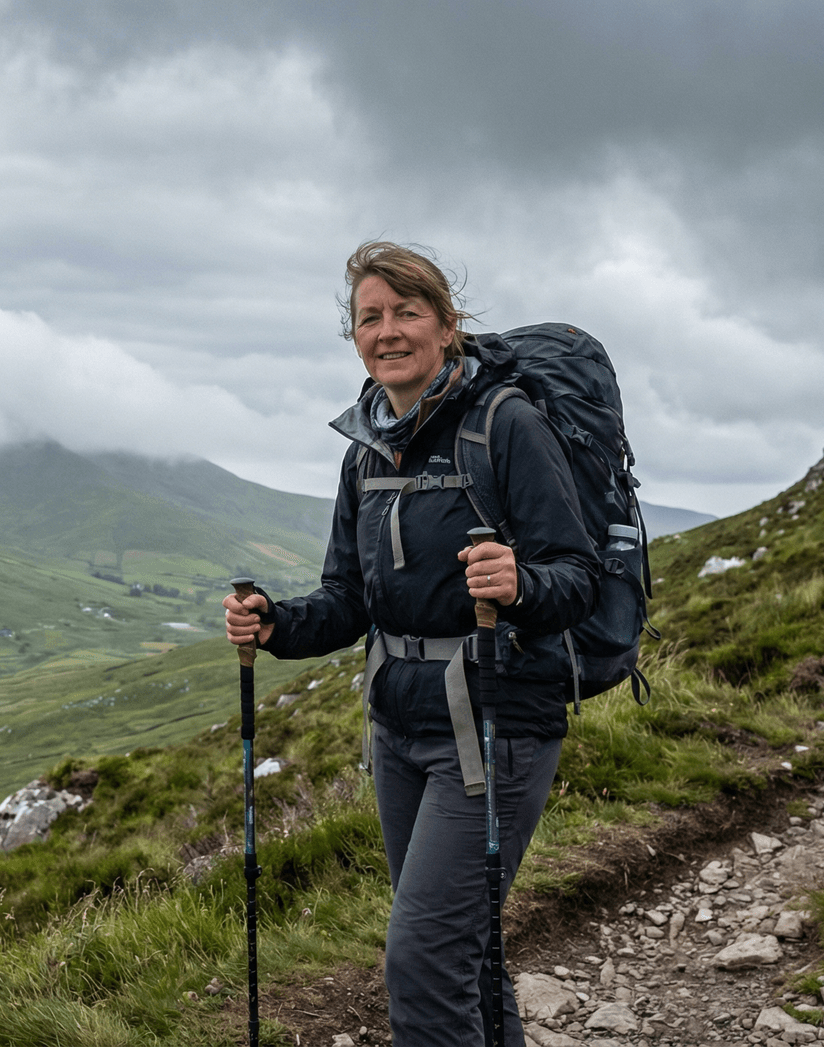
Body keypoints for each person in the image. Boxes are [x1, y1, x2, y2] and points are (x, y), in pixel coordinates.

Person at [224, 242, 598, 1046]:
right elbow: (348, 600)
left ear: (446, 324)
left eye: (406, 311)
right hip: (397, 730)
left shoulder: (507, 425)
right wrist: (276, 621)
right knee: (462, 949)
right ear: (355, 335)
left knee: (423, 959)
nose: (387, 330)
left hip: (495, 725)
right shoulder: (366, 449)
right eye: (370, 316)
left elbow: (578, 577)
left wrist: (520, 584)